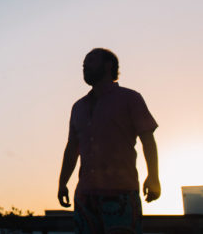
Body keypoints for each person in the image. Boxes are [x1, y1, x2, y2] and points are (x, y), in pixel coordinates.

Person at [58, 48, 160, 234]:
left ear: (108, 65)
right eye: (84, 63)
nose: (85, 66)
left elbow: (148, 139)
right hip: (85, 196)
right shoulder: (78, 107)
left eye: (91, 60)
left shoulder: (130, 98)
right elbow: (72, 148)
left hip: (121, 192)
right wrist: (62, 182)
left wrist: (153, 177)